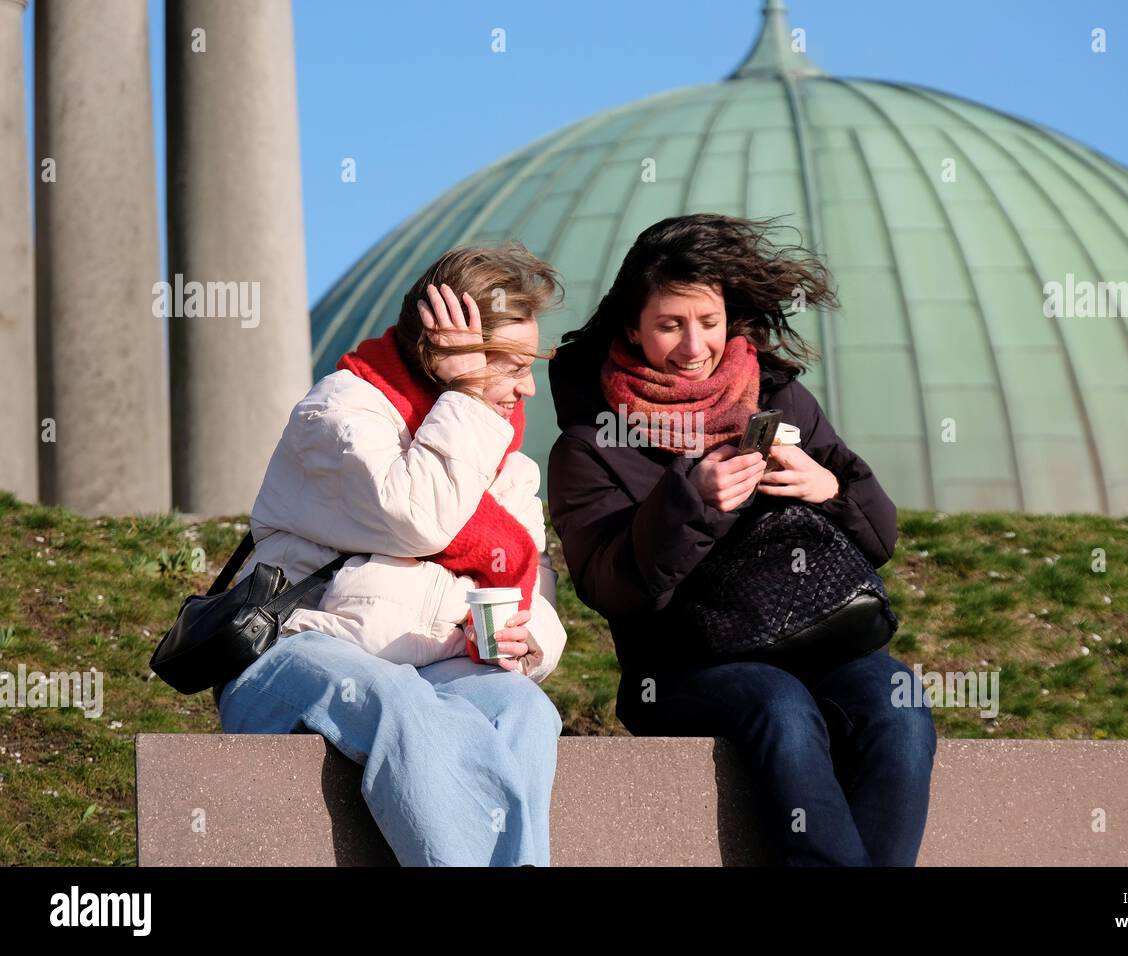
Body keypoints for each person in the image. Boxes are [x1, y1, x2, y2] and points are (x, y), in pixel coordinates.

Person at [546, 213, 936, 866]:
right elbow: (608, 587)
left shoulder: (778, 396)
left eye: (708, 321)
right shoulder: (588, 445)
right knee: (779, 705)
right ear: (633, 327)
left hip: (820, 638)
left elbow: (883, 535)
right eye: (670, 324)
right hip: (678, 666)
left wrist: (826, 489)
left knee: (899, 708)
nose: (693, 345)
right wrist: (690, 504)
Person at [217, 243, 568, 866]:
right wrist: (465, 395)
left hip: (431, 668)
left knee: (523, 710)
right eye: (510, 364)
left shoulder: (502, 456)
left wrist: (530, 637)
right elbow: (417, 518)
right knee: (399, 705)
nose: (527, 387)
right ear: (447, 351)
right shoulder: (340, 411)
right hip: (293, 653)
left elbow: (533, 579)